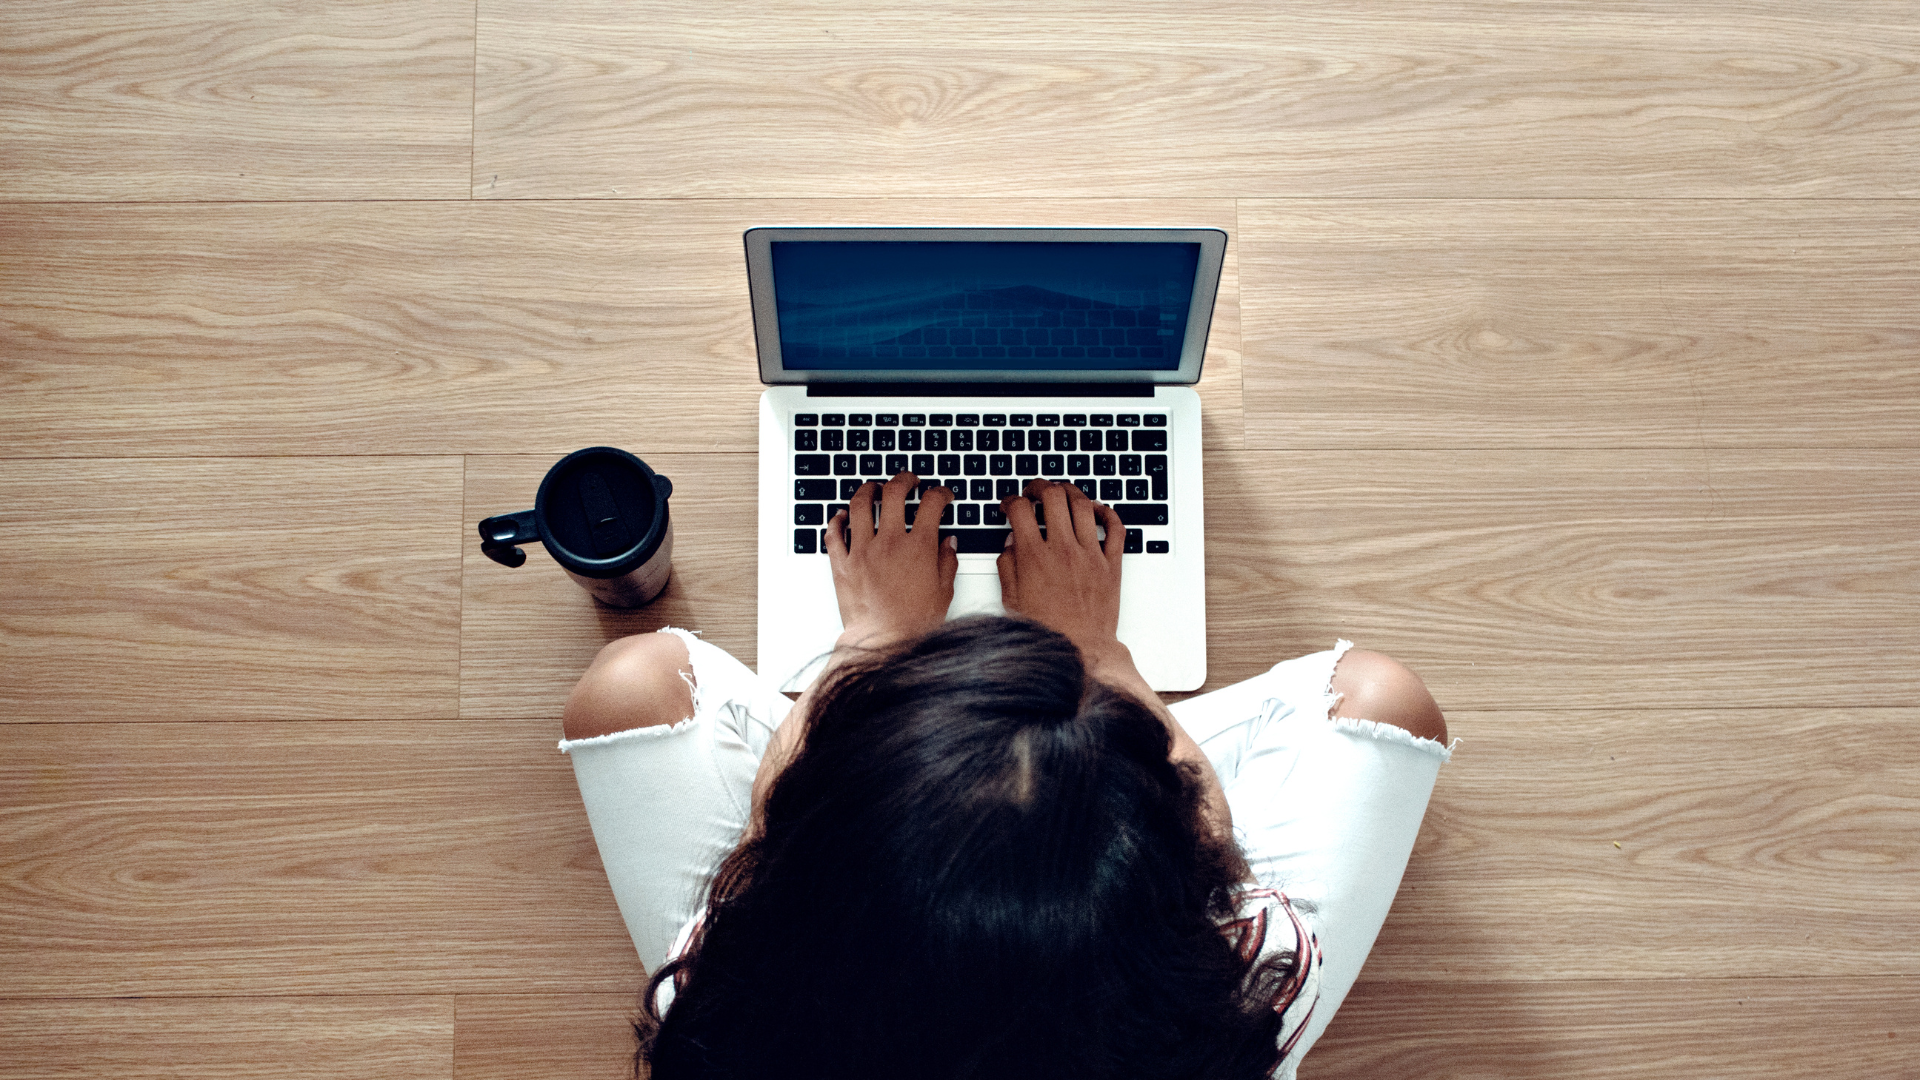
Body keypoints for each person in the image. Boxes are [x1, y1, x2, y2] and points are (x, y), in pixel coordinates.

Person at [560, 476, 1453, 1080]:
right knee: (1387, 700)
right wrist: (1097, 647)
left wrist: (872, 637)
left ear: (811, 881)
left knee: (630, 685)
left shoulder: (721, 998)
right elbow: (1216, 838)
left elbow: (766, 832)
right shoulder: (1253, 975)